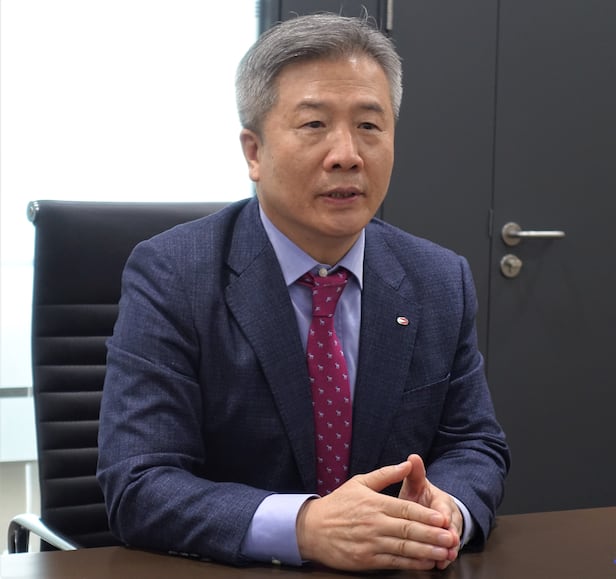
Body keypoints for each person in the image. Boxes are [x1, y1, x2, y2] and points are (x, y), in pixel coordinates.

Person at [97, 13, 510, 572]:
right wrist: (305, 526)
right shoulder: (174, 274)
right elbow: (139, 482)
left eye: (370, 125)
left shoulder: (438, 278)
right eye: (314, 124)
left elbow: (474, 445)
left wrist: (447, 512)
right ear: (254, 152)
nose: (347, 154)